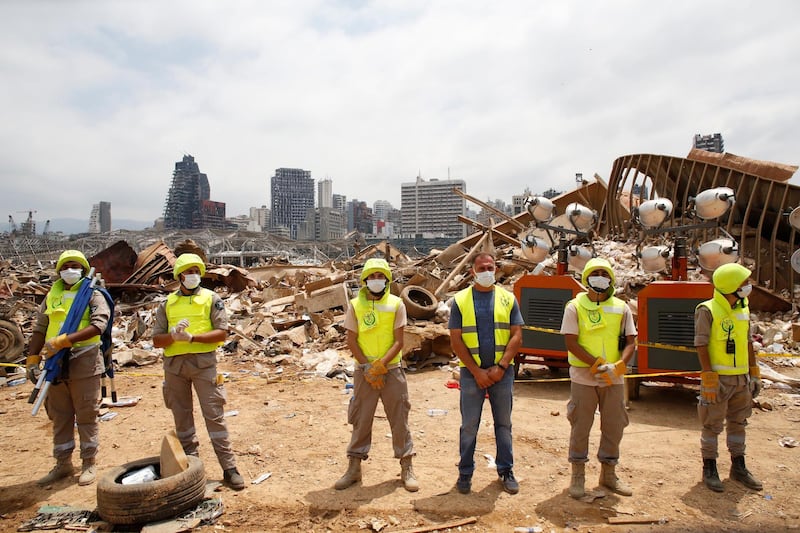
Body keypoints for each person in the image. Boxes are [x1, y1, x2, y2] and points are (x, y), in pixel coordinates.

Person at [152, 253, 245, 490]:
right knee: (182, 419)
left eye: (196, 271)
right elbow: (156, 340)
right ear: (179, 275)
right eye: (188, 271)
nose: (193, 275)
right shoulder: (167, 304)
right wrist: (172, 336)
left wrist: (192, 338)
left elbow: (222, 333)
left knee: (214, 416)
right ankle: (192, 469)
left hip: (204, 364)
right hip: (174, 367)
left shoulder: (211, 299)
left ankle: (229, 468)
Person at [26, 249, 111, 486]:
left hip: (83, 360)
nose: (69, 270)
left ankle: (89, 462)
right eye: (65, 266)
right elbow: (41, 327)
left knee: (86, 414)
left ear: (83, 269)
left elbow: (99, 325)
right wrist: (32, 358)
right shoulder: (52, 295)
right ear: (59, 270)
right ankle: (63, 463)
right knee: (60, 415)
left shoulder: (92, 293)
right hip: (54, 363)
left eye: (74, 266)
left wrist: (66, 340)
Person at [335, 257, 418, 492]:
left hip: (391, 370)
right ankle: (354, 468)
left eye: (380, 276)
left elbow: (399, 341)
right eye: (372, 276)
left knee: (399, 418)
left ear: (387, 280)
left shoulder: (396, 304)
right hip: (364, 372)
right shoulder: (355, 305)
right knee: (361, 418)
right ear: (364, 280)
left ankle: (406, 465)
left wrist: (381, 365)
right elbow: (351, 340)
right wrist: (367, 367)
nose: (376, 280)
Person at [560, 257, 636, 499]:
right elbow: (571, 341)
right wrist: (595, 363)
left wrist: (620, 365)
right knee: (581, 425)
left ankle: (609, 473)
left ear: (611, 279)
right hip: (584, 377)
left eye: (605, 273)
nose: (600, 277)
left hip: (613, 378)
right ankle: (578, 474)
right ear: (587, 278)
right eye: (596, 273)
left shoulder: (621, 307)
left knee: (614, 425)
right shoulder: (575, 306)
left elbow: (631, 342)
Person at [449, 252, 523, 495]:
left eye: (490, 267)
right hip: (472, 374)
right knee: (469, 425)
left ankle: (506, 470)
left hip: (503, 373)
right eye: (481, 268)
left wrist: (501, 367)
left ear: (496, 269)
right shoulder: (460, 301)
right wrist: (477, 372)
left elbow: (516, 336)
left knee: (504, 424)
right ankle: (465, 472)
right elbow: (456, 340)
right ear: (472, 271)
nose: (486, 272)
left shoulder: (508, 299)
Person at [694, 263, 762, 493]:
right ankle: (710, 468)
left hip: (740, 380)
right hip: (718, 380)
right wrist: (709, 377)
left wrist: (754, 372)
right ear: (730, 285)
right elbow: (701, 344)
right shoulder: (707, 310)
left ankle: (738, 466)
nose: (747, 286)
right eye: (743, 282)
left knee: (739, 422)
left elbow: (747, 342)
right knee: (711, 425)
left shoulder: (743, 308)